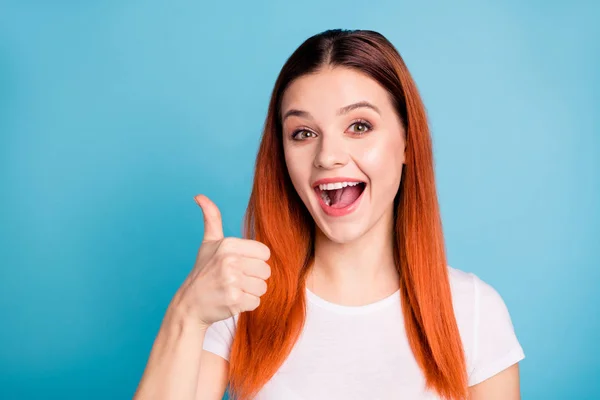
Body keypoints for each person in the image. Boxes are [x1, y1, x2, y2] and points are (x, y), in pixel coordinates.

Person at [133, 29, 525, 400]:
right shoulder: (241, 303)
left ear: (407, 142)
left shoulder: (473, 311)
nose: (328, 156)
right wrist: (188, 312)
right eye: (303, 133)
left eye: (359, 126)